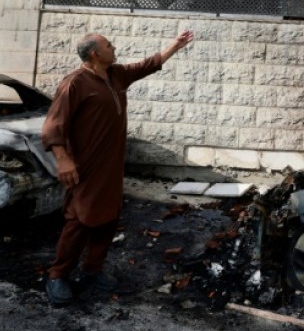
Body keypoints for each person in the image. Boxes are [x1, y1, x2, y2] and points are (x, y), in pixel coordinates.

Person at [42, 30, 193, 306]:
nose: (115, 47)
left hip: (111, 166)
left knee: (109, 217)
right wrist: (63, 159)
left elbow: (147, 65)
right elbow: (54, 125)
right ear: (95, 54)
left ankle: (92, 270)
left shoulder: (115, 75)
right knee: (79, 219)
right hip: (84, 167)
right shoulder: (74, 83)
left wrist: (175, 45)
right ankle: (57, 275)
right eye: (109, 45)